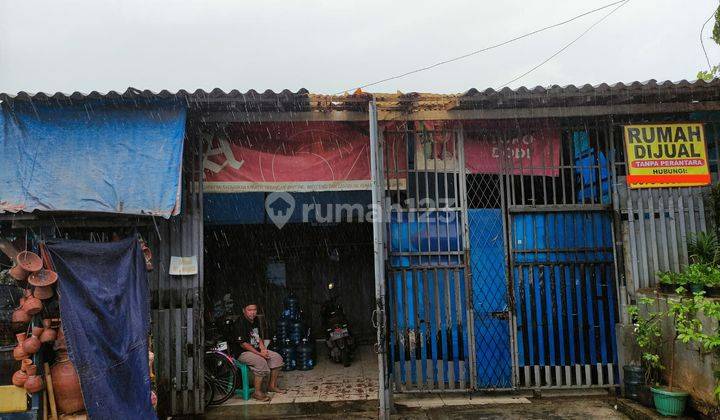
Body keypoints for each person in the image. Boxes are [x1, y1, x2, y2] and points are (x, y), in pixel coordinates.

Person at [232, 303, 285, 401]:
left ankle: (271, 386)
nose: (252, 312)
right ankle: (257, 392)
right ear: (244, 310)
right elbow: (243, 344)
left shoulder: (254, 320)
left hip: (256, 350)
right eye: (249, 310)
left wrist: (263, 349)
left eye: (254, 310)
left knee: (277, 357)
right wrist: (260, 354)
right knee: (260, 361)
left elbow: (257, 336)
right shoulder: (239, 323)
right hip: (243, 353)